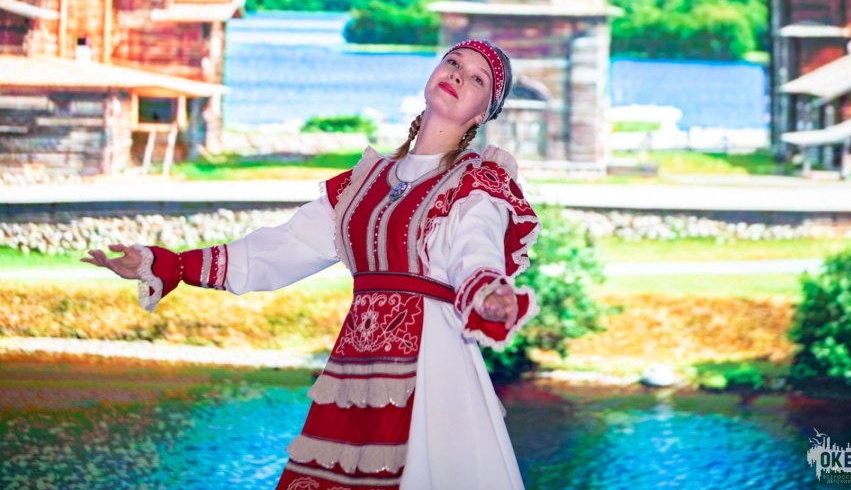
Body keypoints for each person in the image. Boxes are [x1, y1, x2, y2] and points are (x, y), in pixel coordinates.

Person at [83, 39, 541, 490]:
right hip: (358, 363)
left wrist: (488, 291)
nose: (458, 75)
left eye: (477, 79)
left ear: (482, 114)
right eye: (453, 62)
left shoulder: (478, 182)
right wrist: (171, 265)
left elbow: (475, 245)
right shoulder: (364, 183)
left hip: (432, 361)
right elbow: (283, 247)